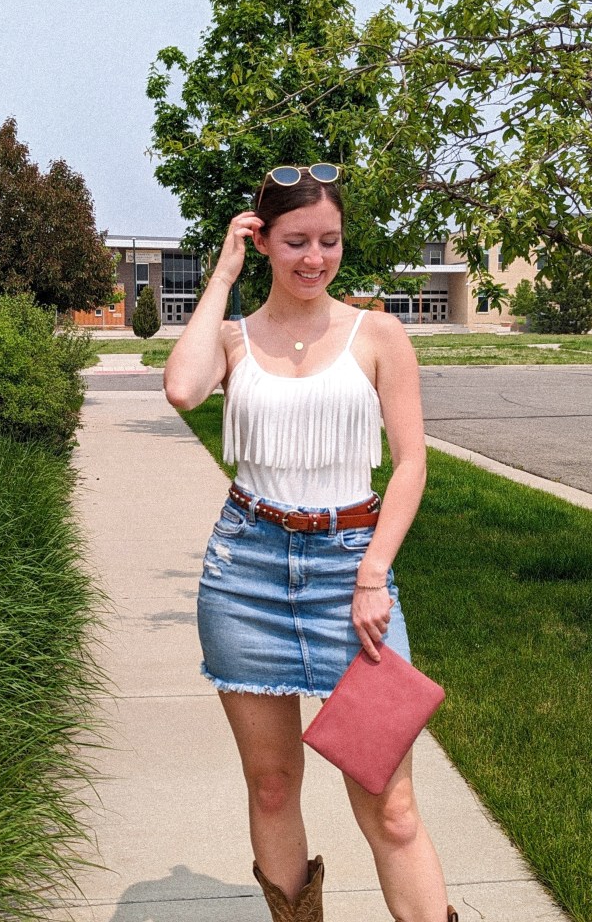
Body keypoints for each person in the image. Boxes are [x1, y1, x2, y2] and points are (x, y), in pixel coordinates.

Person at [164, 165, 457, 922]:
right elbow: (182, 389)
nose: (313, 258)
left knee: (386, 800)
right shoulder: (232, 339)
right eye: (295, 241)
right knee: (270, 784)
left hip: (349, 574)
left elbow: (412, 461)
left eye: (328, 240)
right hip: (245, 571)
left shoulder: (377, 334)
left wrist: (372, 573)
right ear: (262, 240)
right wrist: (222, 273)